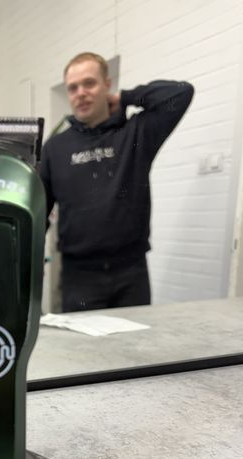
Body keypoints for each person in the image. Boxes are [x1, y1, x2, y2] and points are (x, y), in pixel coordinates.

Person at [40, 52, 194, 312]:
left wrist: (126, 97)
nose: (81, 93)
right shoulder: (55, 148)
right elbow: (39, 210)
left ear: (107, 85)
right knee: (81, 340)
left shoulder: (135, 133)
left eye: (89, 83)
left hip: (130, 273)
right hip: (80, 276)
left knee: (135, 339)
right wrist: (30, 260)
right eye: (73, 88)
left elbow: (180, 93)